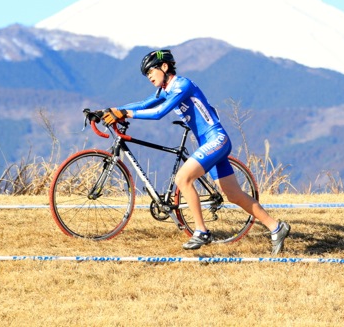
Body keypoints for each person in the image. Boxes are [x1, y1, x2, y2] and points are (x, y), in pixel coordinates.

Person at [100, 49, 291, 254]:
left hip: (216, 139)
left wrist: (126, 113)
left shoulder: (182, 85)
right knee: (234, 195)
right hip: (209, 142)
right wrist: (110, 110)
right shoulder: (167, 89)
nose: (149, 77)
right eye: (146, 75)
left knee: (183, 179)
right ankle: (276, 227)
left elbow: (158, 113)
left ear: (164, 67)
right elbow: (145, 104)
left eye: (150, 72)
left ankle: (201, 231)